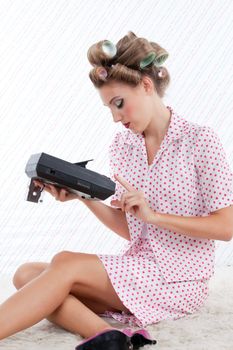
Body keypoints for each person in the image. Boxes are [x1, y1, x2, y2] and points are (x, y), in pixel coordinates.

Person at [0, 31, 233, 349]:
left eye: (119, 103)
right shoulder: (123, 145)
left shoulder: (199, 141)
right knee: (26, 274)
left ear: (147, 86)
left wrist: (155, 216)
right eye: (109, 107)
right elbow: (133, 230)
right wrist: (81, 195)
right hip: (139, 269)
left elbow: (226, 227)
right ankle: (112, 337)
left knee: (64, 262)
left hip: (180, 279)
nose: (114, 116)